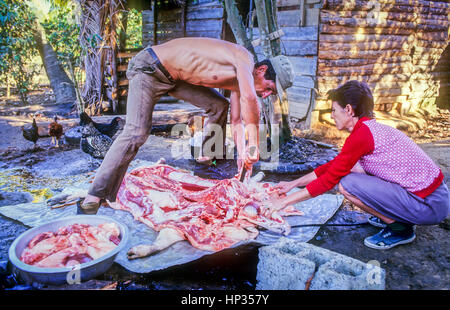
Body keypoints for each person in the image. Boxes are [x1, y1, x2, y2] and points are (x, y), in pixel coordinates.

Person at [79, 37, 294, 214]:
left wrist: (243, 155)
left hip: (175, 79)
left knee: (219, 105)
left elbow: (237, 121)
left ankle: (206, 161)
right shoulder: (244, 59)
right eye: (269, 88)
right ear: (262, 69)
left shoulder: (241, 80)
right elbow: (250, 100)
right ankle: (96, 194)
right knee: (137, 132)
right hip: (150, 68)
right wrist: (255, 145)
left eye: (270, 94)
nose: (265, 94)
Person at [270, 80, 449, 250]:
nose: (332, 116)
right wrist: (292, 184)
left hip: (429, 205)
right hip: (433, 199)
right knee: (352, 172)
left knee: (346, 184)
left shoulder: (362, 136)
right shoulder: (369, 130)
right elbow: (333, 166)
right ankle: (395, 217)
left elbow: (329, 179)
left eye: (334, 110)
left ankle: (400, 228)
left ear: (348, 109)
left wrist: (284, 202)